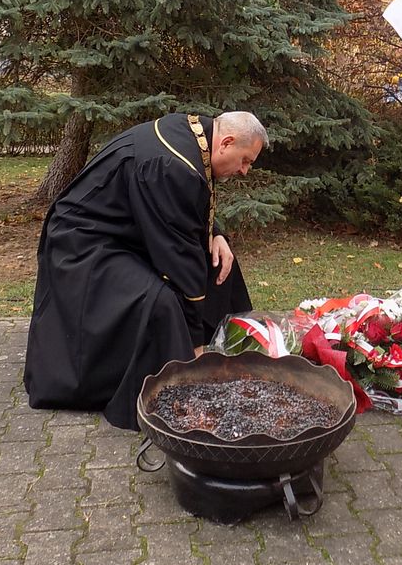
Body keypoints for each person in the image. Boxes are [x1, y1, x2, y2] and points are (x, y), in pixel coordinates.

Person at [25, 111, 266, 430]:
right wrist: (192, 344)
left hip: (124, 233)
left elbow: (187, 203)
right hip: (83, 245)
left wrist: (217, 233)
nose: (246, 171)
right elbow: (178, 259)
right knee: (161, 301)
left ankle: (230, 353)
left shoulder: (196, 134)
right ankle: (173, 380)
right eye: (246, 160)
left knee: (220, 259)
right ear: (227, 142)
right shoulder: (172, 163)